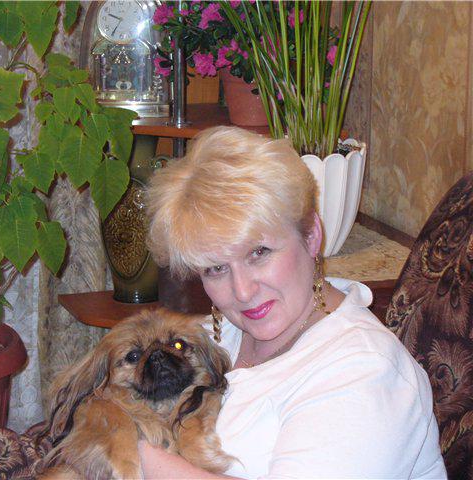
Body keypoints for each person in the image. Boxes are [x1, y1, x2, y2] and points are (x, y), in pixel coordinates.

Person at [140, 126, 446, 479]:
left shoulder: (364, 372)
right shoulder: (213, 339)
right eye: (216, 268)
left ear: (311, 235)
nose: (242, 291)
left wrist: (133, 451)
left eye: (259, 253)